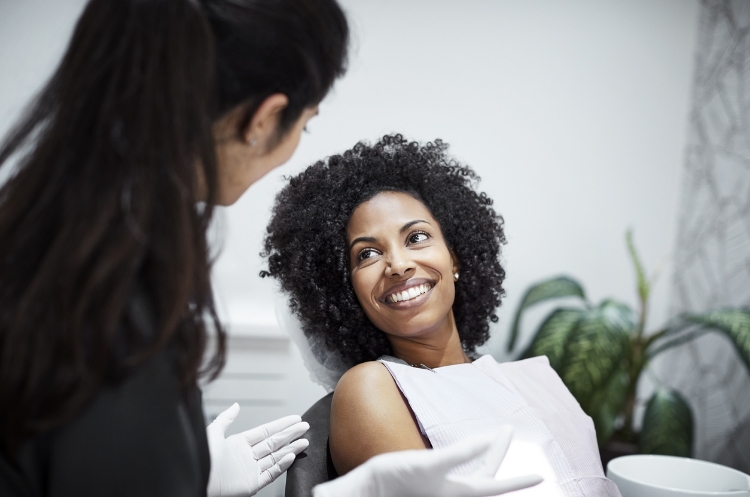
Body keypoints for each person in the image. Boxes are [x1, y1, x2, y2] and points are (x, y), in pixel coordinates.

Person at [0, 1, 540, 496]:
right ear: (262, 120)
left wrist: (190, 474)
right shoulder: (109, 297)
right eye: (304, 126)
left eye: (418, 237)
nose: (399, 264)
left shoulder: (53, 242)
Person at [262, 134, 622, 496]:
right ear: (346, 291)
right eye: (367, 254)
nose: (399, 265)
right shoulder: (372, 388)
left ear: (455, 258)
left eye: (416, 237)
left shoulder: (537, 377)